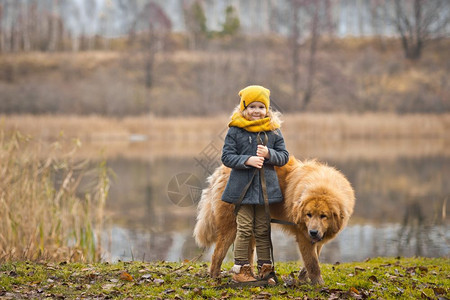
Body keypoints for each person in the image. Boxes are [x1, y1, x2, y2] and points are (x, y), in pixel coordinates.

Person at [221, 85, 289, 283]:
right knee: (244, 228)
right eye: (252, 107)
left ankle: (265, 270)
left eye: (261, 107)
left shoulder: (274, 131)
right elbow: (227, 157)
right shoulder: (235, 130)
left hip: (265, 191)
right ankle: (241, 271)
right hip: (242, 191)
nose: (256, 111)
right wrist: (247, 160)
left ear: (266, 109)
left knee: (262, 229)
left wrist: (269, 154)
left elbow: (284, 156)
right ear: (244, 108)